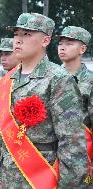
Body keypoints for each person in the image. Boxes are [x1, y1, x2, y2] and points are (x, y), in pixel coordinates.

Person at [0, 13, 87, 188]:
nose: (18, 40)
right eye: (16, 34)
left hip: (41, 177)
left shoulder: (59, 79)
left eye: (27, 34)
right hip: (6, 178)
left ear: (45, 40)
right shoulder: (5, 81)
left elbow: (72, 142)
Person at [58, 26, 93, 184]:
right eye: (60, 43)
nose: (63, 47)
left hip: (81, 158)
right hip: (50, 157)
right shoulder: (49, 79)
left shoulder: (90, 82)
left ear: (82, 49)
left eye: (70, 43)